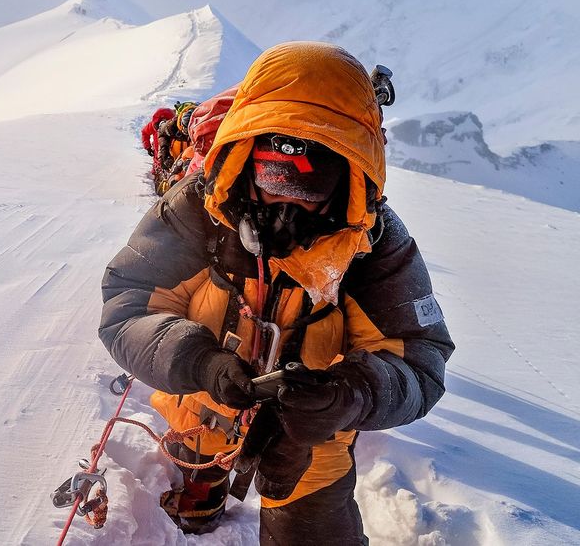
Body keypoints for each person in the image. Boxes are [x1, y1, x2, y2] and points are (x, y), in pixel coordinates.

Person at [99, 41, 454, 544]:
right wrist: (200, 362)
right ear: (244, 155)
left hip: (312, 442)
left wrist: (343, 395)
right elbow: (128, 302)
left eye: (311, 183)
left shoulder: (373, 243)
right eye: (273, 174)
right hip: (201, 405)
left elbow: (419, 359)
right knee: (199, 471)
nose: (285, 202)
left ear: (352, 176)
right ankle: (204, 495)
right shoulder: (200, 209)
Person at [141, 107, 175, 179]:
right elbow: (144, 132)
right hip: (158, 161)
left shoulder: (174, 127)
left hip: (172, 160)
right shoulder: (153, 125)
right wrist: (148, 147)